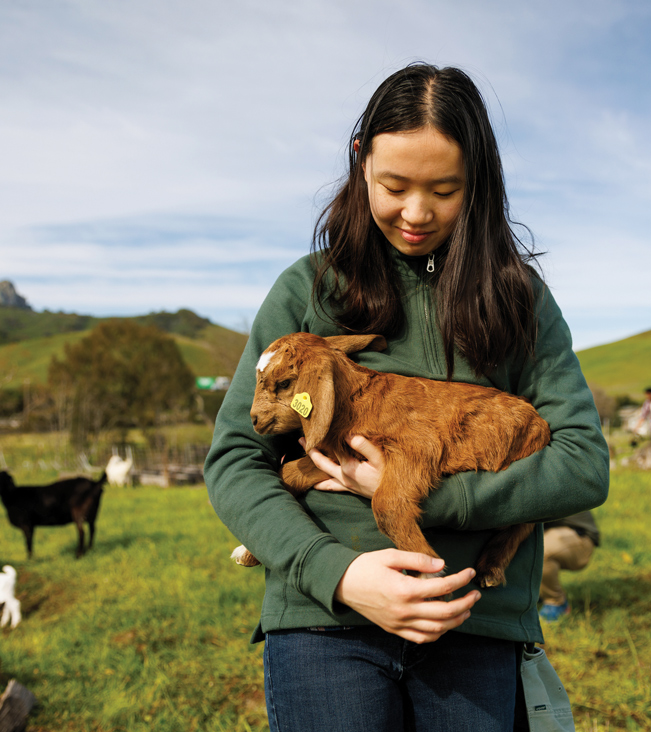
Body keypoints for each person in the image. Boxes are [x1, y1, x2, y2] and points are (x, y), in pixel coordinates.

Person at [204, 64, 609, 731]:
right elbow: (235, 462)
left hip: (471, 624)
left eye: (444, 190)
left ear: (477, 181)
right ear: (361, 162)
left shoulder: (518, 303)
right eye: (394, 186)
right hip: (325, 624)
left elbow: (582, 463)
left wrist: (418, 493)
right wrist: (335, 573)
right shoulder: (306, 292)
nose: (415, 213)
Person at [538, 511, 600, 622]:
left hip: (579, 535)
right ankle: (532, 593)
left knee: (540, 550)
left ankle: (557, 603)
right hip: (551, 530)